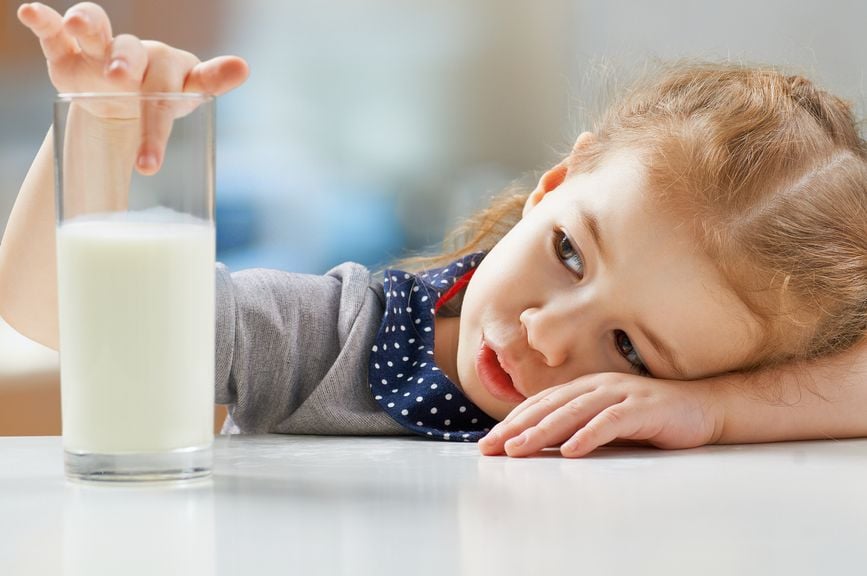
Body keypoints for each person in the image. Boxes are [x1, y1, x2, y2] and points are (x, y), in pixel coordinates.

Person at [1, 2, 866, 458]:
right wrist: (102, 123)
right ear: (554, 183)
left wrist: (712, 414)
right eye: (569, 253)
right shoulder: (330, 341)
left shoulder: (706, 409)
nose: (545, 335)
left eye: (631, 350)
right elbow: (59, 319)